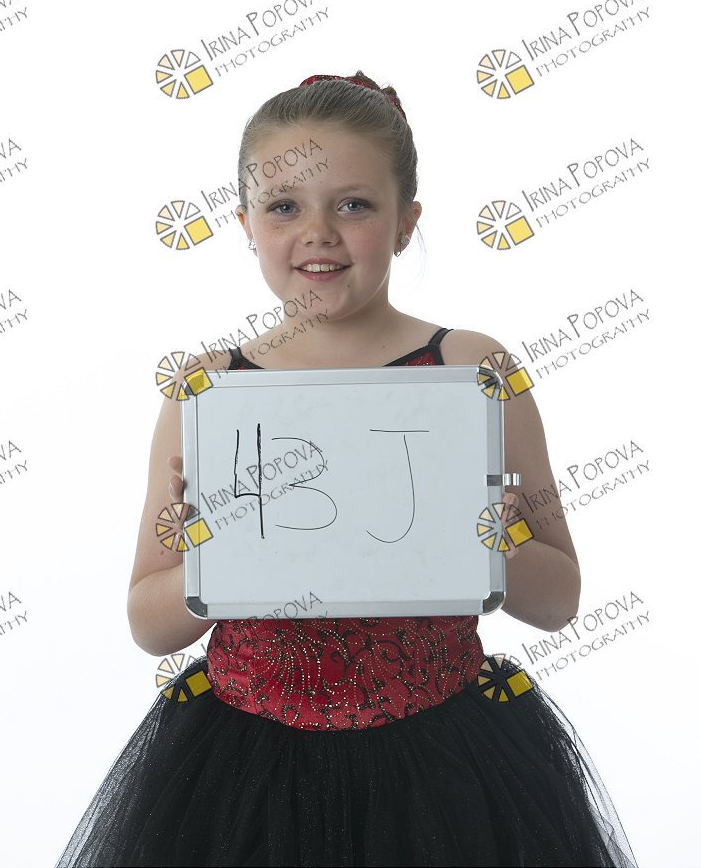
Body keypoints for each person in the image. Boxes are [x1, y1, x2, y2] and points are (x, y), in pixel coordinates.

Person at [55, 72, 639, 867]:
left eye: (355, 205)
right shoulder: (210, 389)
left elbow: (559, 598)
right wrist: (216, 554)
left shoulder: (471, 370)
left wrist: (490, 541)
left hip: (442, 760)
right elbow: (150, 622)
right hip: (246, 769)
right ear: (246, 225)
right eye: (283, 207)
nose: (318, 233)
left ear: (405, 223)